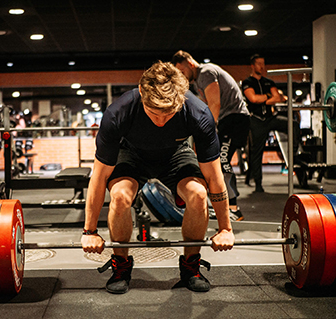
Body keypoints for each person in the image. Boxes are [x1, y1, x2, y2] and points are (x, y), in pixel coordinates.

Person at [81, 61, 235, 294]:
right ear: (142, 92)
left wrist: (225, 228)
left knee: (199, 194)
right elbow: (99, 178)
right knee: (120, 196)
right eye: (154, 113)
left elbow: (214, 177)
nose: (161, 121)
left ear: (181, 99)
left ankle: (190, 267)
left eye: (168, 114)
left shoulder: (198, 113)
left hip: (175, 154)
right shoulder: (118, 113)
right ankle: (121, 266)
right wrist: (90, 232)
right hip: (131, 153)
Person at [171, 50, 250, 221]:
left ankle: (234, 208)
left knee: (221, 161)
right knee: (214, 162)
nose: (183, 76)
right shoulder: (198, 81)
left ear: (190, 63)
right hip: (227, 120)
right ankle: (222, 205)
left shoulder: (206, 72)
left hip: (234, 119)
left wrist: (206, 131)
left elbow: (215, 103)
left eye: (183, 72)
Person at [242, 54, 300, 192]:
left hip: (270, 118)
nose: (262, 67)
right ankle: (258, 184)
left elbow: (278, 97)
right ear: (253, 65)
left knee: (293, 124)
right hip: (256, 120)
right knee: (256, 152)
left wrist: (266, 99)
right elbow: (253, 99)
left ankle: (294, 153)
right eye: (259, 64)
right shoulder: (247, 82)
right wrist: (269, 97)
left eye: (263, 63)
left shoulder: (269, 82)